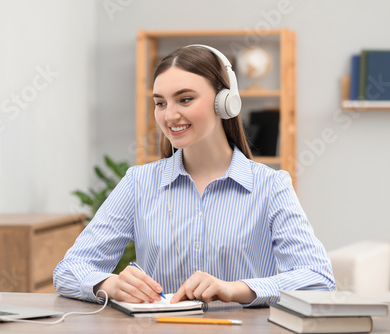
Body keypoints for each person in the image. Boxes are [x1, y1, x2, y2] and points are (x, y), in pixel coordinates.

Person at [53, 45, 336, 307]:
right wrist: (111, 284)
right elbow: (68, 270)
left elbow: (318, 281)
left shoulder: (271, 186)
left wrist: (235, 289)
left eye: (185, 99)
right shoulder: (138, 184)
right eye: (160, 103)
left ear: (225, 102)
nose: (170, 115)